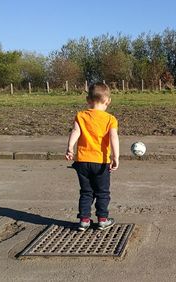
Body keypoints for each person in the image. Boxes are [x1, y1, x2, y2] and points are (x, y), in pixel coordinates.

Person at [65, 83, 119, 231]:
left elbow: (75, 132)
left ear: (88, 99)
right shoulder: (110, 119)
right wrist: (116, 156)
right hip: (100, 162)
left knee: (86, 191)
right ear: (108, 101)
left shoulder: (81, 116)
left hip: (82, 161)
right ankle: (102, 219)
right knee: (102, 192)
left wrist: (70, 147)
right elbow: (114, 138)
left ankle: (84, 220)